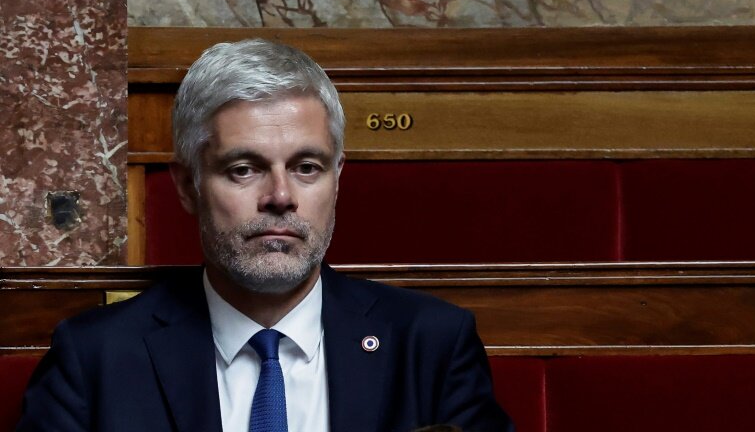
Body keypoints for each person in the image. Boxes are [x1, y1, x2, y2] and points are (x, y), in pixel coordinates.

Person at [18, 39, 514, 431]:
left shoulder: (432, 346)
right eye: (243, 169)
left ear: (337, 179)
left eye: (306, 167)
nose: (281, 196)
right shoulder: (95, 358)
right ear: (188, 187)